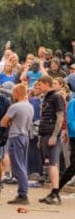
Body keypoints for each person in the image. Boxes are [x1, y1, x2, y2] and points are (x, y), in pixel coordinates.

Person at [0, 83, 34, 204]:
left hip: (16, 136)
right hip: (25, 136)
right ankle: (22, 193)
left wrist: (9, 122)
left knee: (18, 167)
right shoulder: (30, 106)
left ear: (16, 93)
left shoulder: (15, 107)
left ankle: (23, 194)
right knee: (22, 165)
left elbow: (3, 122)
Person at [37, 75, 65, 205]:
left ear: (47, 84)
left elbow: (60, 117)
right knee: (48, 164)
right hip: (44, 134)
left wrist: (54, 135)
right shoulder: (46, 98)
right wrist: (40, 137)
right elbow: (43, 117)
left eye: (40, 84)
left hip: (51, 135)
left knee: (53, 164)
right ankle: (53, 193)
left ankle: (55, 193)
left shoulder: (56, 97)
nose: (38, 87)